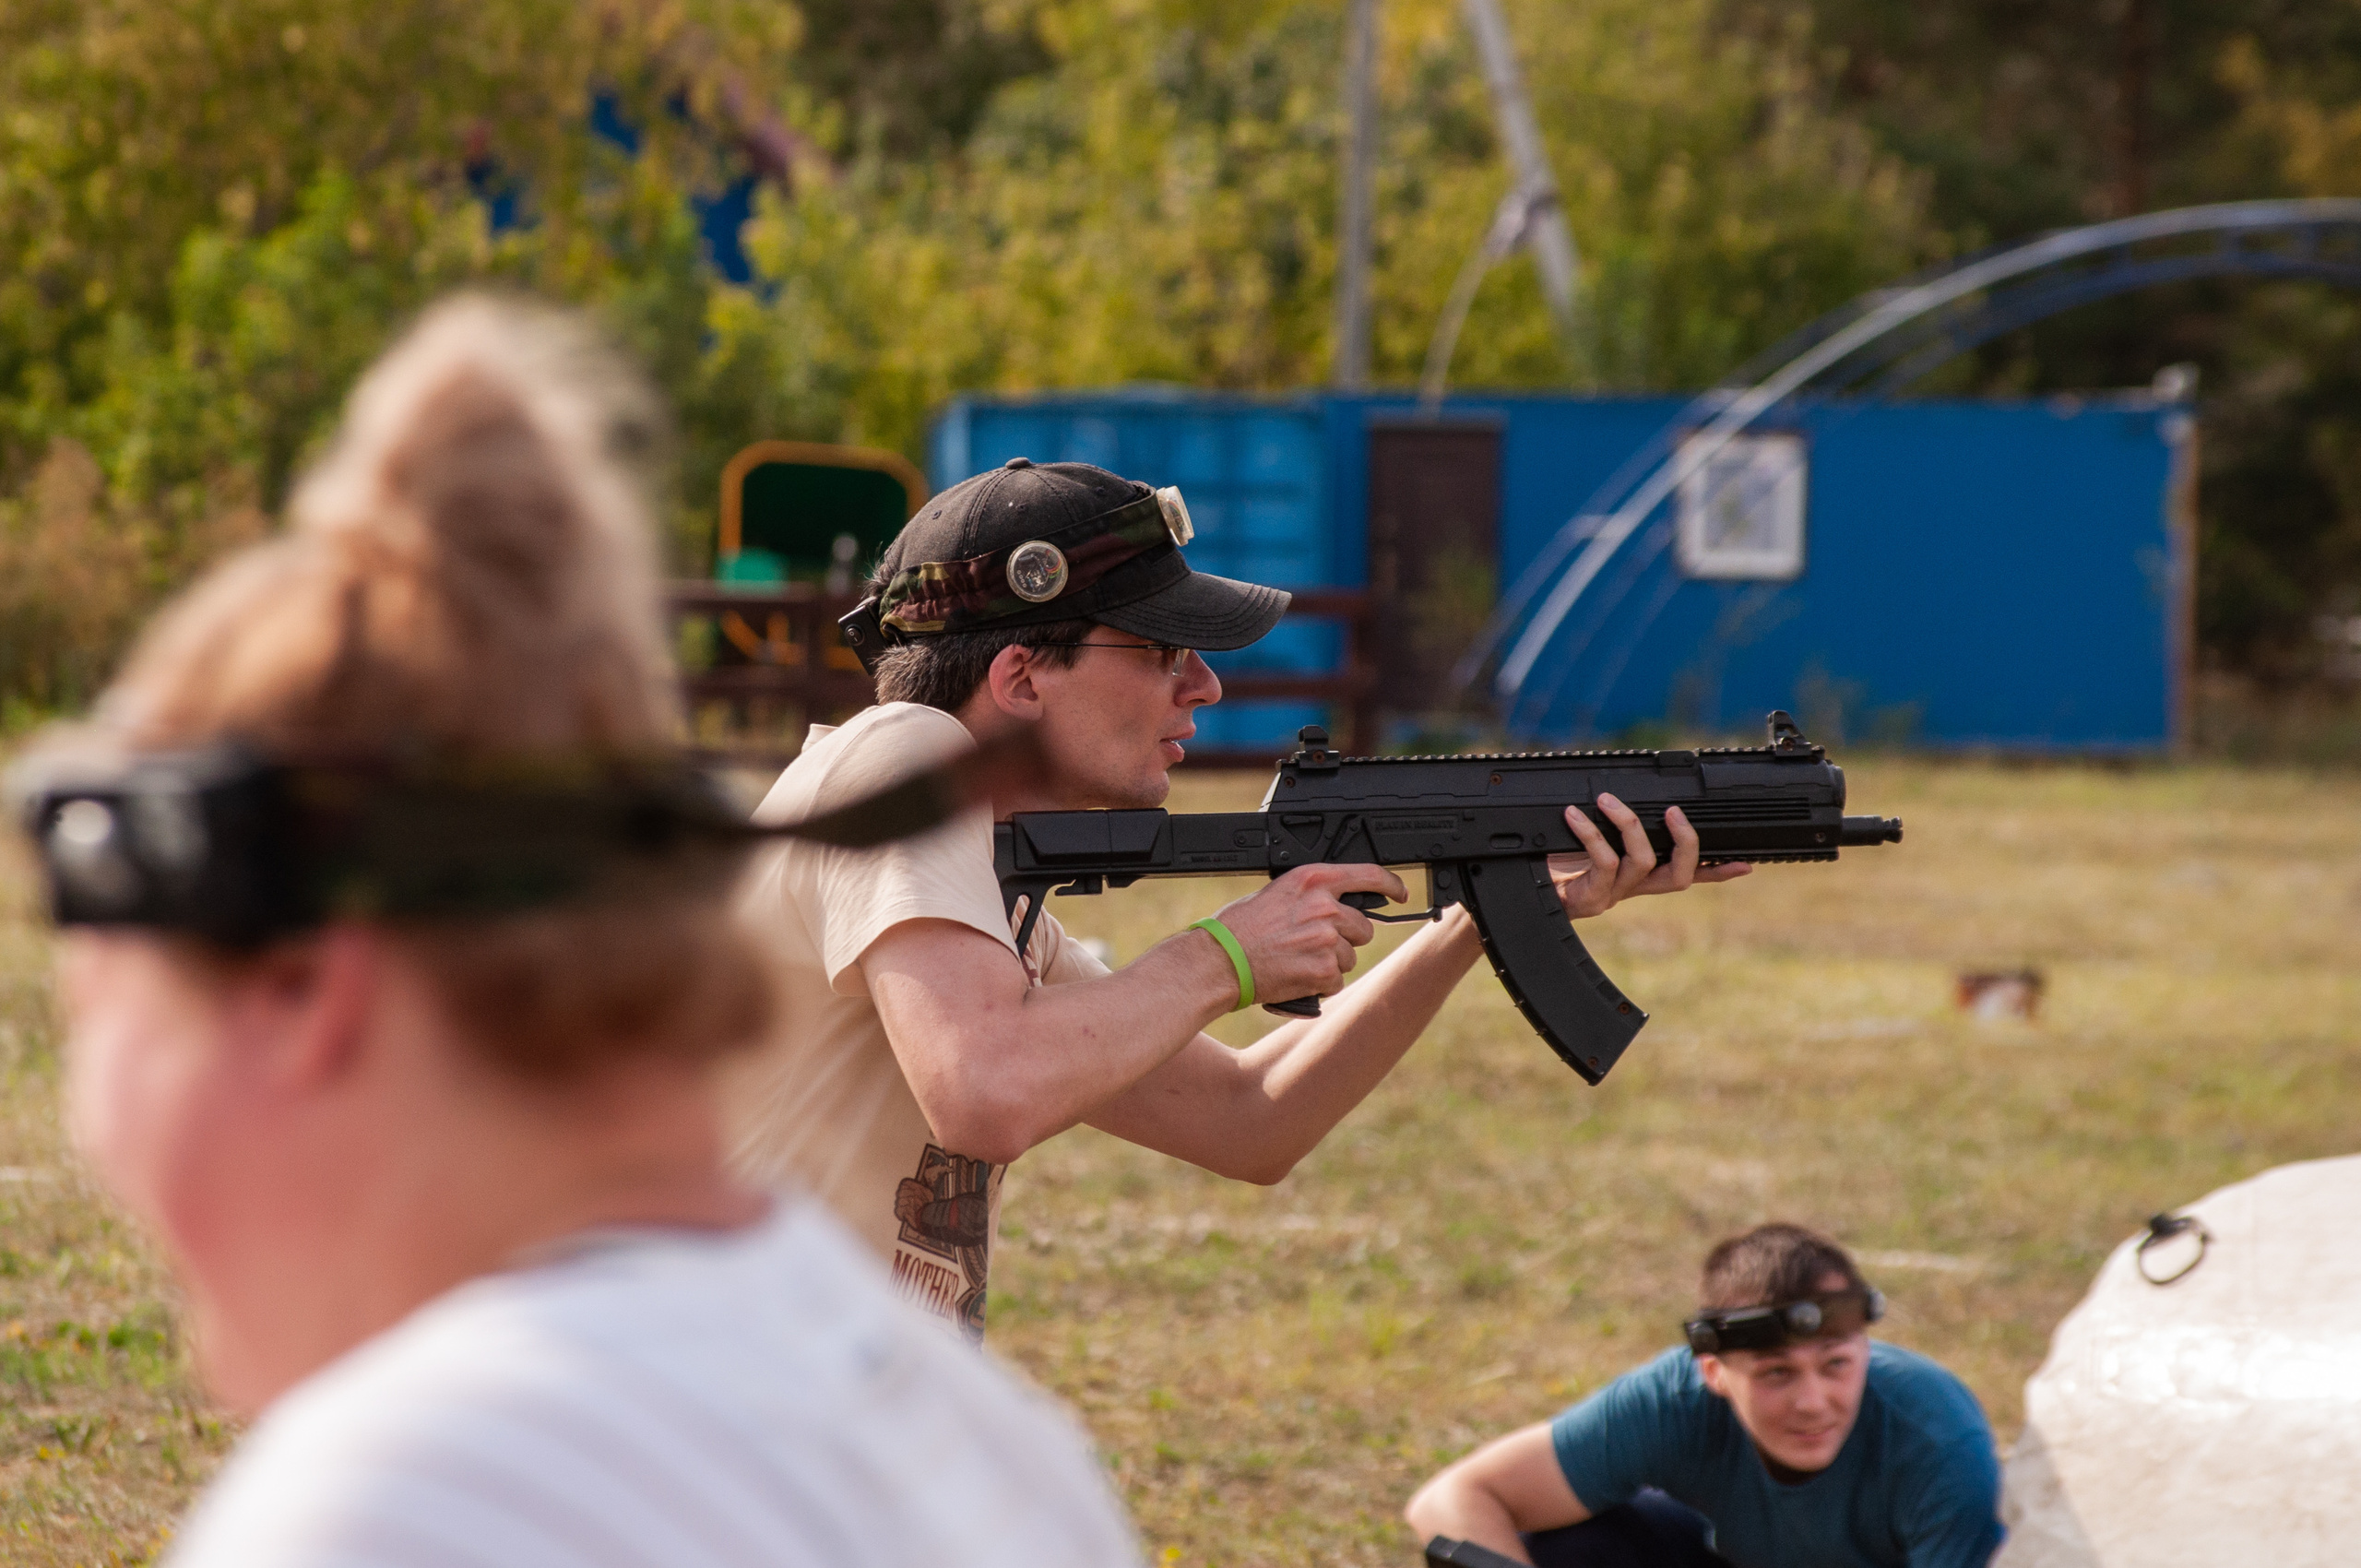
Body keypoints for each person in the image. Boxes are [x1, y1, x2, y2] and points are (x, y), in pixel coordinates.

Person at [30, 297, 1138, 1567]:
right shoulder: (999, 1453)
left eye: (108, 1036)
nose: (97, 1146)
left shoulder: (403, 1505)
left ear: (305, 991)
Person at [726, 457, 1751, 1339]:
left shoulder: (987, 885)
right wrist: (1222, 954)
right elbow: (985, 1091)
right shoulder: (898, 759)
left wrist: (1480, 913)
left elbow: (1248, 1120)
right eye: (1162, 650)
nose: (1205, 686)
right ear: (1021, 674)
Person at [1405, 1224, 2004, 1568]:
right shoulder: (1673, 1402)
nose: (1814, 1401)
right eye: (1776, 1373)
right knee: (1569, 1546)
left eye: (1837, 1364)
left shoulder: (1940, 1444)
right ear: (1713, 1373)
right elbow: (1452, 1500)